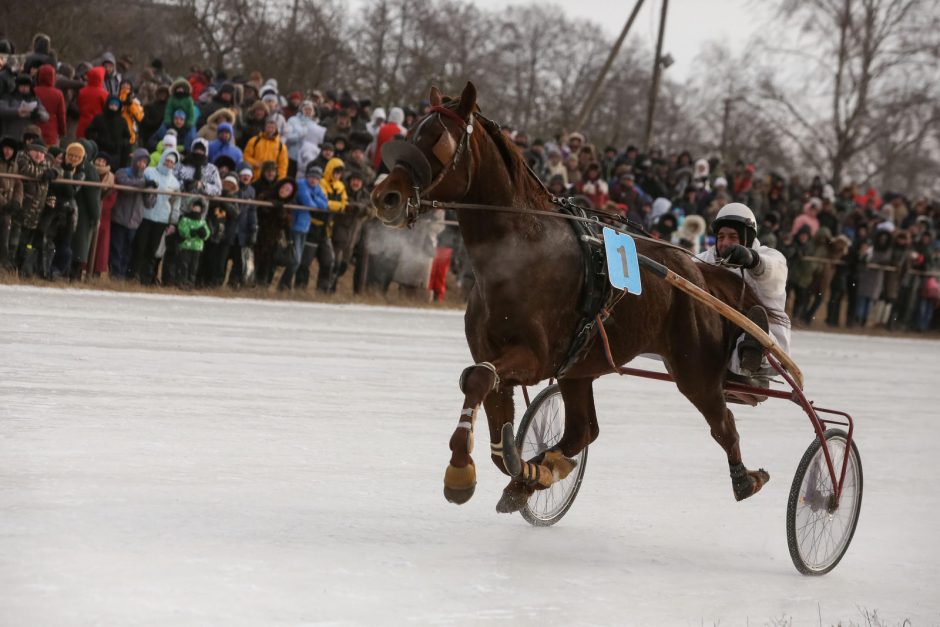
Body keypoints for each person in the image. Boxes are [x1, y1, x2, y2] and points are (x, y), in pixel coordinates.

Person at [696, 202, 791, 378]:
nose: (725, 243)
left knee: (752, 327)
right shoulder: (704, 260)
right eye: (721, 237)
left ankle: (754, 357)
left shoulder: (769, 256)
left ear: (746, 236)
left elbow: (776, 274)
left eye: (733, 237)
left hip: (761, 337)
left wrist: (753, 261)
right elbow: (683, 267)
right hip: (713, 342)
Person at [175, 198, 210, 288]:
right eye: (195, 207)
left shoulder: (202, 222)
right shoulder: (185, 219)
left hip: (197, 247)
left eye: (199, 208)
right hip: (186, 246)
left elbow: (207, 233)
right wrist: (191, 233)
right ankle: (182, 281)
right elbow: (182, 230)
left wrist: (204, 234)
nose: (196, 209)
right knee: (184, 264)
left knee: (194, 266)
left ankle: (191, 282)